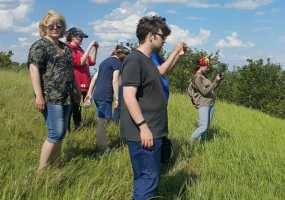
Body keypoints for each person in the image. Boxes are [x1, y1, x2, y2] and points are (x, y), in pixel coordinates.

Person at [120, 15, 171, 199]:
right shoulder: (135, 60)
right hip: (145, 132)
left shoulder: (148, 60)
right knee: (148, 179)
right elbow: (128, 95)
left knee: (147, 178)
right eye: (162, 35)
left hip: (153, 130)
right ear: (151, 35)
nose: (164, 39)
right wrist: (143, 127)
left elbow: (163, 72)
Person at [27, 10, 81, 171]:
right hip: (50, 97)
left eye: (59, 25)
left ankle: (57, 164)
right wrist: (38, 96)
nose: (56, 28)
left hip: (67, 97)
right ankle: (41, 171)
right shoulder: (40, 45)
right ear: (45, 27)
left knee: (62, 133)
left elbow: (71, 73)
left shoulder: (66, 48)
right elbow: (34, 69)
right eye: (52, 25)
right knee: (55, 133)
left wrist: (77, 92)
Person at [84, 45, 130, 151]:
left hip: (97, 94)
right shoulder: (117, 63)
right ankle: (103, 147)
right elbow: (115, 80)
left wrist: (89, 93)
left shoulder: (104, 62)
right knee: (103, 122)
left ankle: (101, 143)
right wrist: (117, 98)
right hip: (105, 94)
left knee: (102, 119)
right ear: (122, 55)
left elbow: (94, 78)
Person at [66, 27, 98, 130]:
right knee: (73, 107)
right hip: (75, 83)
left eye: (82, 37)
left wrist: (95, 48)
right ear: (71, 36)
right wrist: (89, 46)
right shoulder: (69, 48)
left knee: (79, 107)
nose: (81, 38)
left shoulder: (80, 49)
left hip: (85, 82)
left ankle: (78, 127)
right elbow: (80, 62)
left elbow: (92, 61)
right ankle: (68, 129)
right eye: (79, 36)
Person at [190, 56, 223, 141]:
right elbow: (204, 92)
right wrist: (215, 81)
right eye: (207, 66)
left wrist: (218, 81)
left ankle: (201, 144)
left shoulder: (203, 76)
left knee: (206, 127)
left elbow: (211, 89)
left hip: (210, 103)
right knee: (204, 126)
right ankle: (189, 141)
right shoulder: (197, 77)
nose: (208, 68)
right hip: (204, 104)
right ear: (202, 66)